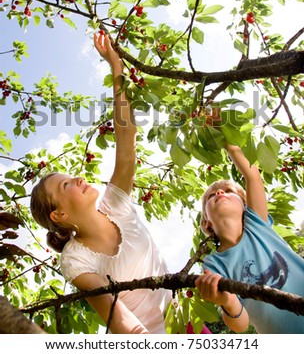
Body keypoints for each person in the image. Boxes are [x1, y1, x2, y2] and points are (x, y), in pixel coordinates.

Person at [30, 33, 172, 334]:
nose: (78, 178)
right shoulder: (75, 260)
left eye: (70, 176)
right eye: (66, 185)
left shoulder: (116, 204)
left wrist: (115, 66)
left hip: (183, 320)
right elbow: (118, 318)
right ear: (59, 215)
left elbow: (126, 134)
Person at [195, 143, 304, 334]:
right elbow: (241, 324)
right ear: (207, 223)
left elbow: (252, 175)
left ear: (245, 206)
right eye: (212, 195)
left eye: (228, 191)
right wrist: (227, 300)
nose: (220, 193)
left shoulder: (257, 224)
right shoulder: (213, 264)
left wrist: (223, 133)